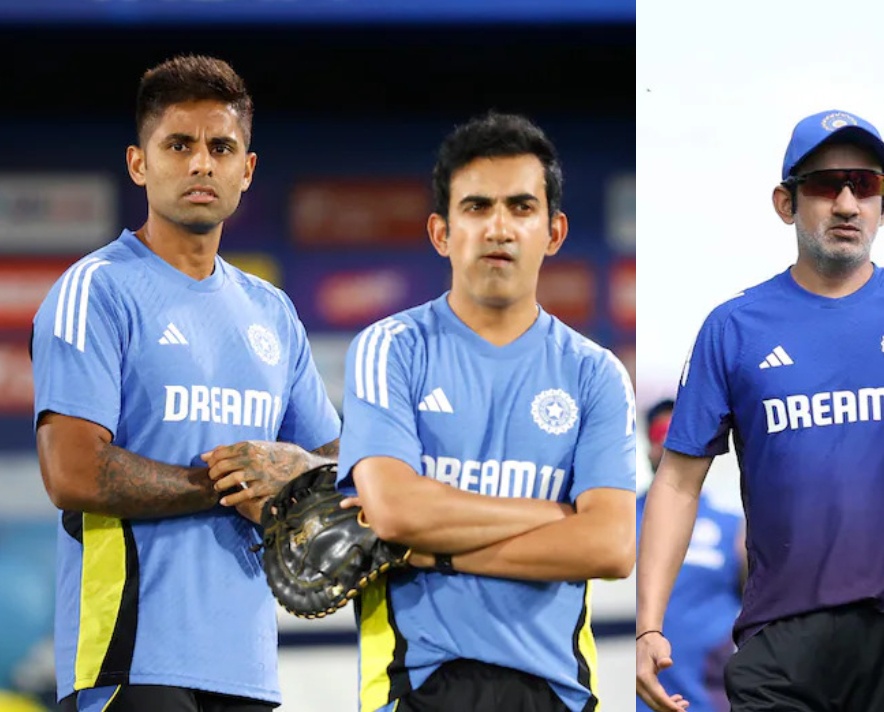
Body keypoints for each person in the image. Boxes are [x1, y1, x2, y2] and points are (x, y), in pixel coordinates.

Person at [29, 55, 342, 712]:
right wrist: (234, 484)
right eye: (180, 144)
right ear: (140, 163)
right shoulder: (98, 290)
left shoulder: (272, 312)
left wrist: (297, 477)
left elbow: (333, 461)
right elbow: (73, 472)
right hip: (128, 658)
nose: (202, 163)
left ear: (245, 171)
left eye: (221, 147)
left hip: (248, 668)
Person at [637, 110, 884, 712]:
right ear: (785, 203)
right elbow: (679, 483)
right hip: (778, 644)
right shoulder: (733, 327)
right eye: (825, 185)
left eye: (864, 186)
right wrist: (649, 624)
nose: (846, 203)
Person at [334, 112, 637, 712]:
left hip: (557, 693)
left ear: (553, 232)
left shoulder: (596, 372)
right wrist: (556, 515)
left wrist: (441, 549)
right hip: (416, 686)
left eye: (521, 208)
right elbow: (394, 512)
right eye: (476, 207)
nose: (499, 227)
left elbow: (609, 545)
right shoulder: (390, 348)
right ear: (442, 233)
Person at [636, 399, 743, 712]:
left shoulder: (735, 527)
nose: (670, 444)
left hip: (709, 698)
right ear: (647, 447)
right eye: (661, 435)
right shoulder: (622, 520)